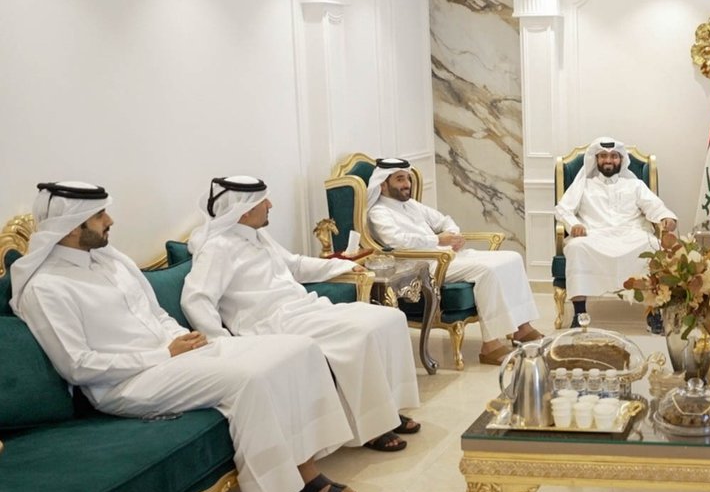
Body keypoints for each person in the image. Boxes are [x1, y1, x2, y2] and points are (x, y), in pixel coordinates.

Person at [11, 182, 357, 492]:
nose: (109, 221)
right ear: (70, 226)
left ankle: (305, 472)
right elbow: (78, 366)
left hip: (172, 357)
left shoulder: (113, 262)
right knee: (247, 380)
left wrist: (186, 340)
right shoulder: (46, 287)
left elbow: (155, 315)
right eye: (99, 216)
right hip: (126, 384)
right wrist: (165, 354)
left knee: (299, 349)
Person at [182, 176, 421, 453]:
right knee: (360, 333)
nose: (270, 205)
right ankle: (373, 427)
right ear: (243, 210)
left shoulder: (257, 235)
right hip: (272, 322)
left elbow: (294, 266)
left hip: (302, 308)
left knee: (389, 319)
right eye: (263, 201)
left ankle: (387, 410)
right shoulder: (217, 247)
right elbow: (196, 299)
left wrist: (342, 267)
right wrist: (221, 343)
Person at [366, 158, 541, 365]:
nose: (407, 184)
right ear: (383, 185)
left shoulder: (411, 205)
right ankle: (490, 346)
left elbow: (444, 220)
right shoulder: (378, 212)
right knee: (487, 271)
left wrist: (454, 235)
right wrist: (438, 240)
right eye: (400, 179)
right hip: (427, 264)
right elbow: (397, 241)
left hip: (447, 254)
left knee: (512, 258)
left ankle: (522, 328)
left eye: (408, 179)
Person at [554, 137, 677, 331]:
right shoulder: (583, 185)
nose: (608, 160)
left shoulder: (635, 185)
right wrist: (574, 224)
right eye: (603, 156)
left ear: (621, 159)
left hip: (631, 235)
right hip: (594, 237)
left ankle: (653, 312)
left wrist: (665, 217)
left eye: (613, 156)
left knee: (653, 246)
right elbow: (562, 209)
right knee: (577, 247)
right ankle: (579, 314)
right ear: (596, 159)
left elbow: (654, 206)